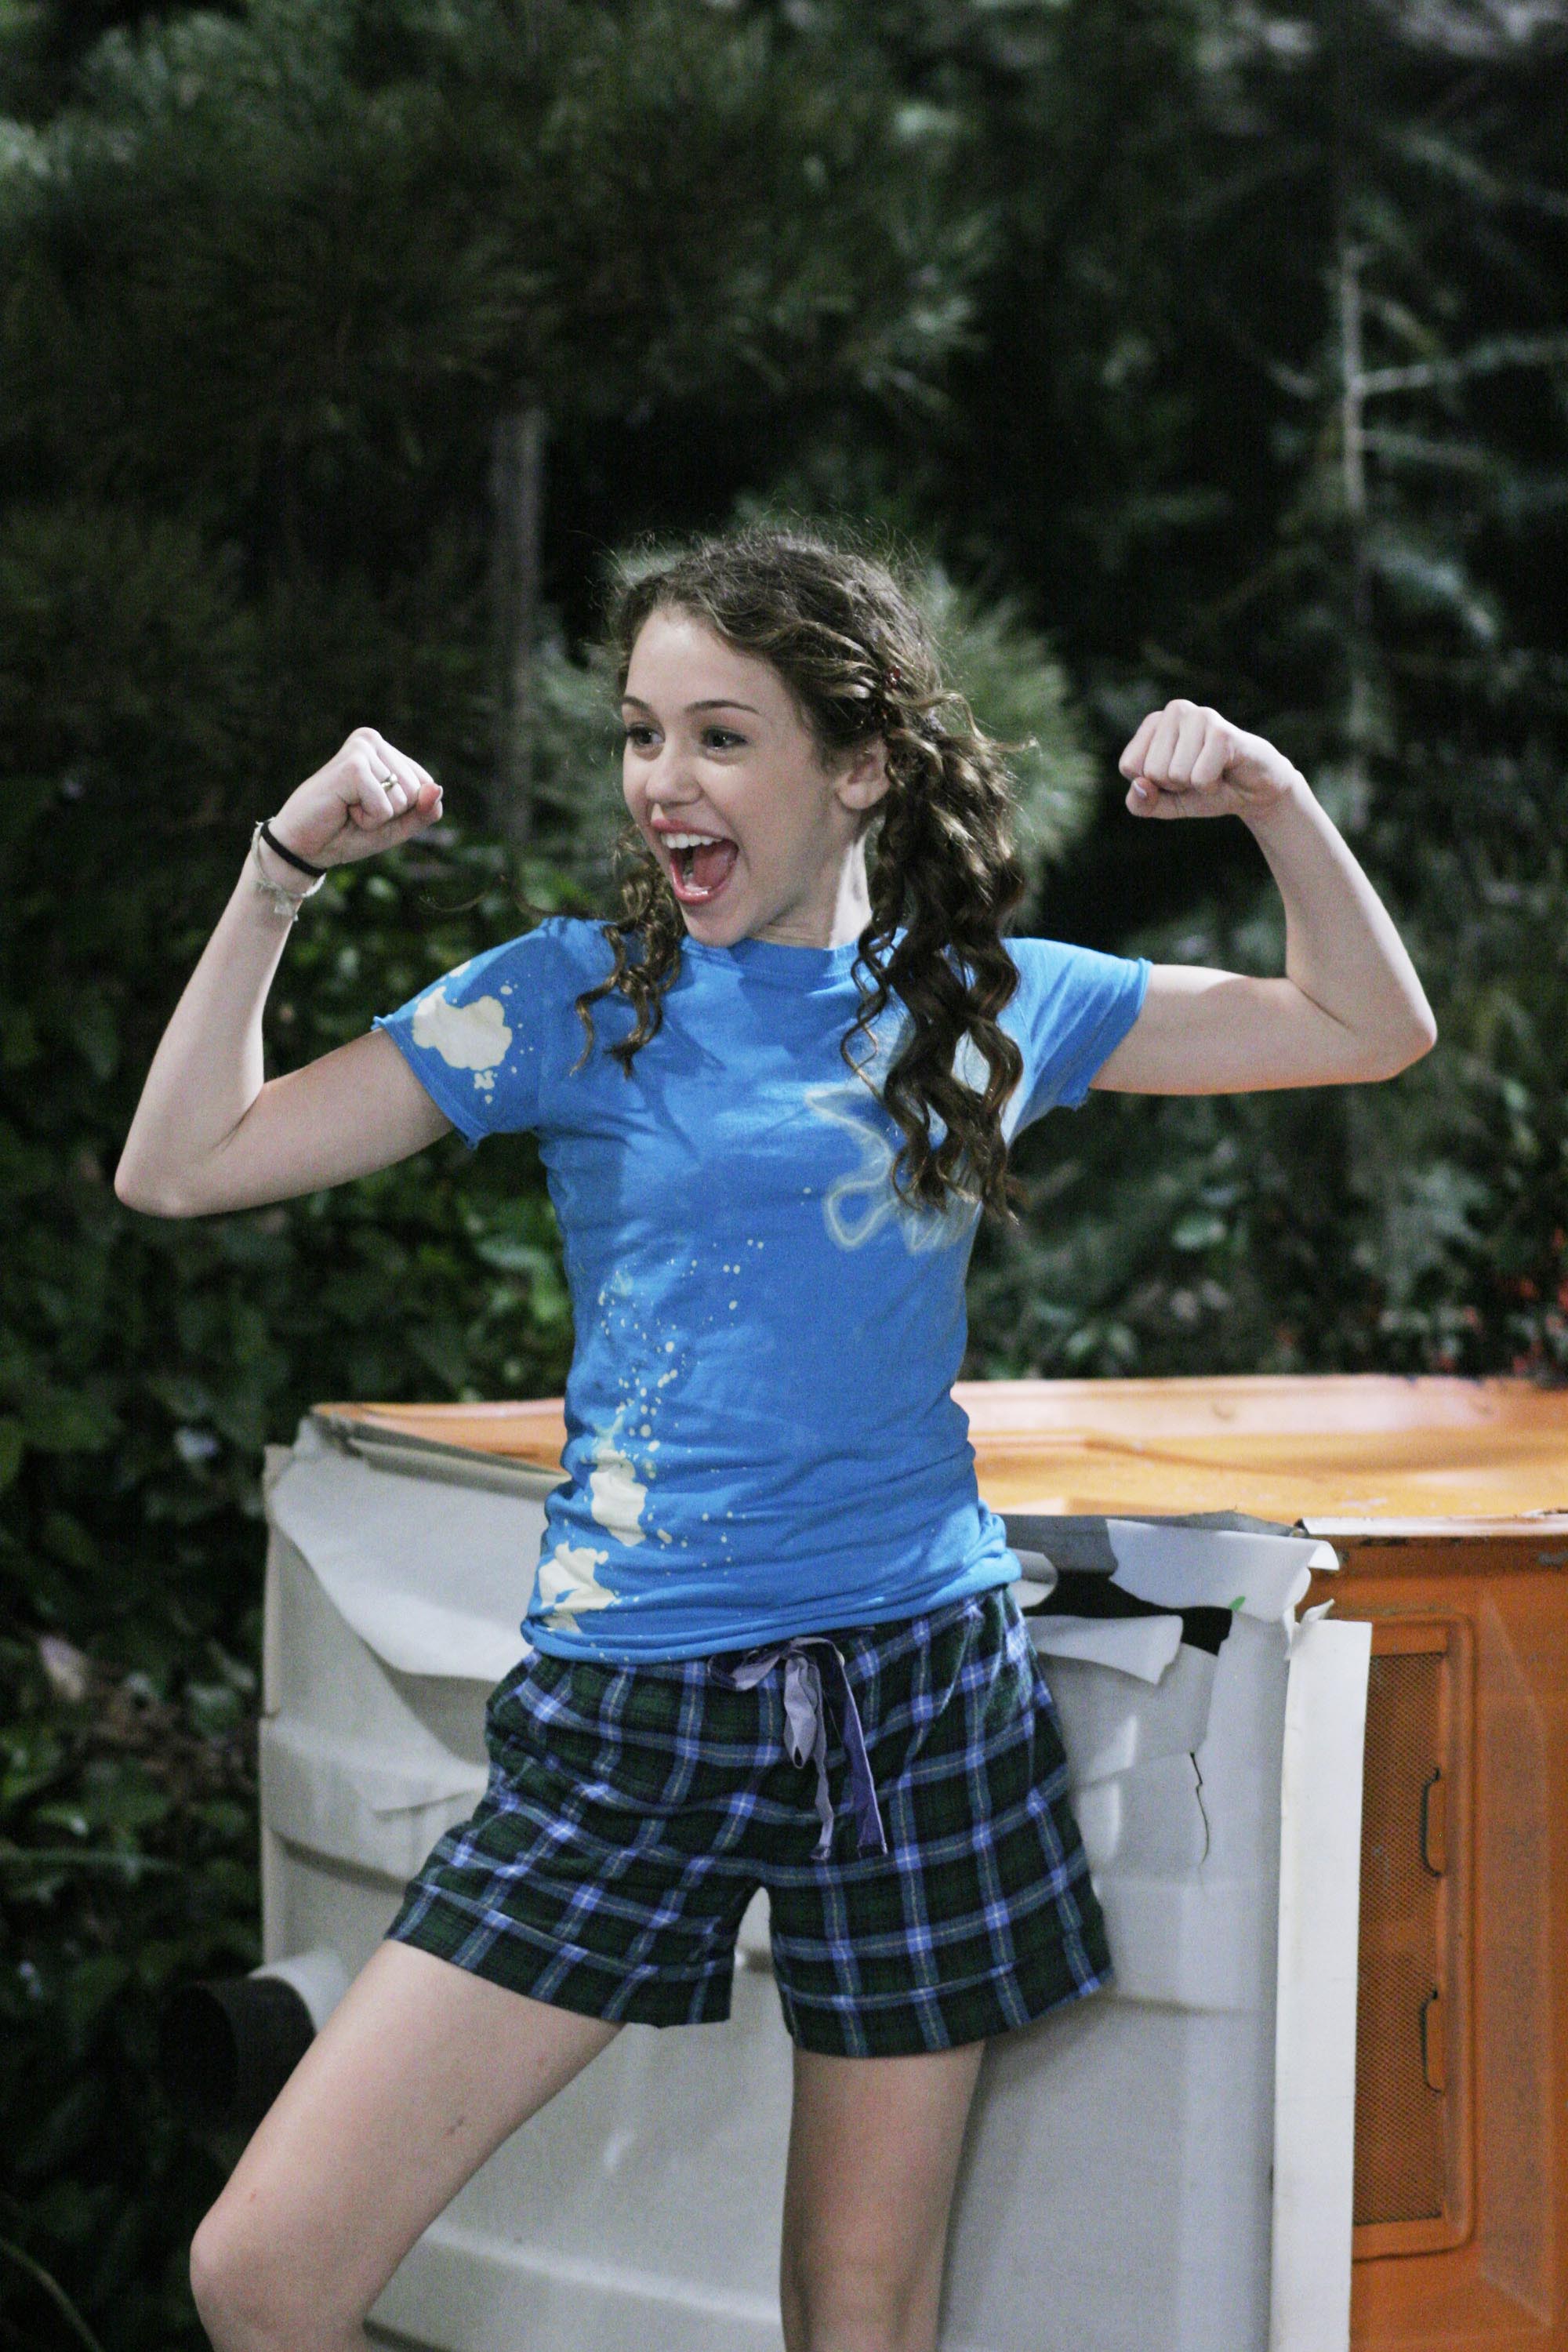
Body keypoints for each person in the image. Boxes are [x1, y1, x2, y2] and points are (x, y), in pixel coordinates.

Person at [115, 524, 1435, 2352]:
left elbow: (1367, 1024)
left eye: (720, 736)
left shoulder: (979, 1000)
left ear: (861, 765)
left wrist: (1272, 800)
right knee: (262, 2273)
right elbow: (181, 1164)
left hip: (919, 1698)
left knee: (858, 2306)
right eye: (642, 733)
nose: (661, 778)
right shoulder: (574, 997)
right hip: (632, 1710)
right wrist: (281, 873)